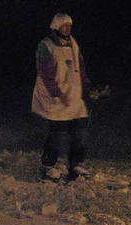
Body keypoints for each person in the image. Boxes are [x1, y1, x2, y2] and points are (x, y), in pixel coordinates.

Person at [32, 13, 92, 182]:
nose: (68, 28)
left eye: (70, 25)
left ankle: (76, 164)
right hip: (55, 95)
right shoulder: (47, 45)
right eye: (65, 25)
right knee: (58, 133)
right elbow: (46, 74)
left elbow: (79, 67)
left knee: (80, 131)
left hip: (73, 95)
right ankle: (48, 167)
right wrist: (58, 93)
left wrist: (87, 85)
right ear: (56, 26)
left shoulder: (73, 43)